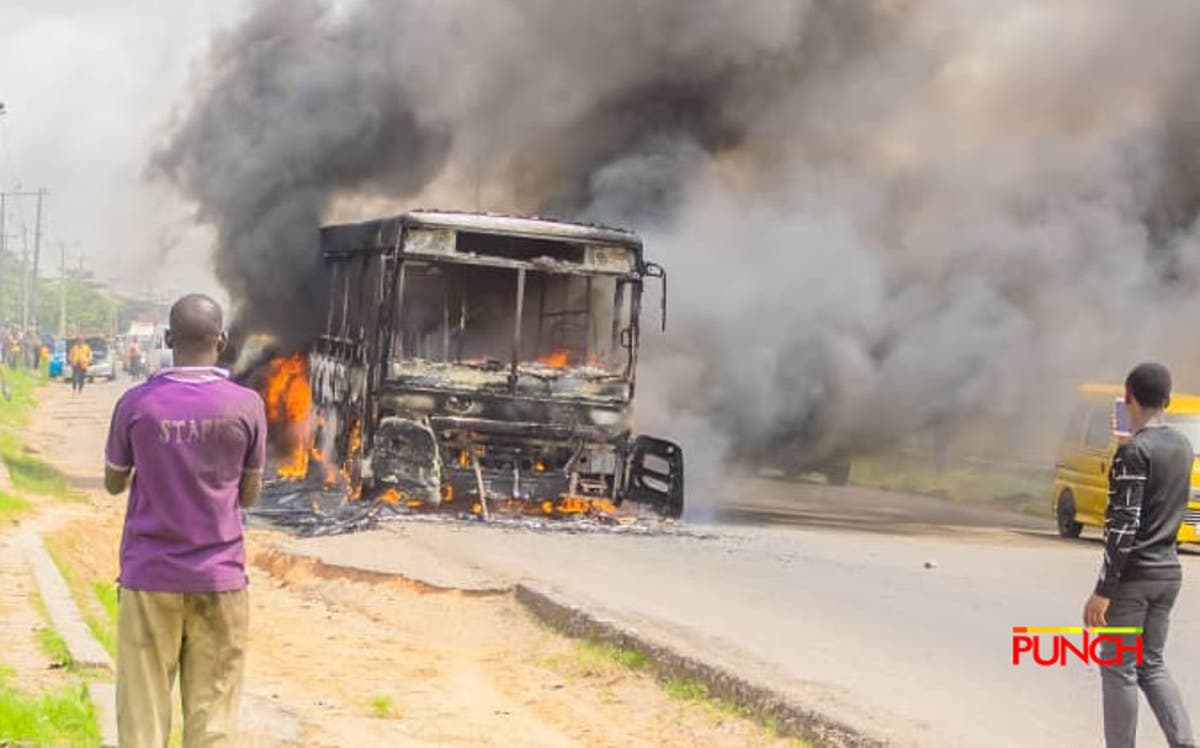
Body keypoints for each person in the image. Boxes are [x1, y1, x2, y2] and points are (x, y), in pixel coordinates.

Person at [104, 294, 266, 747]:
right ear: (223, 340)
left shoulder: (136, 404)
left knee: (142, 717)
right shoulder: (247, 406)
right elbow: (249, 495)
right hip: (221, 580)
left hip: (149, 577)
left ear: (169, 338)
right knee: (213, 720)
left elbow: (114, 482)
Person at [1083, 363, 1195, 748]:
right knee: (1152, 664)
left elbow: (1124, 525)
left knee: (1118, 669)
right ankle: (1184, 742)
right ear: (1167, 399)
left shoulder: (1134, 450)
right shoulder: (1183, 446)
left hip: (1133, 579)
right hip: (1168, 573)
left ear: (1128, 397)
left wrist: (1103, 589)